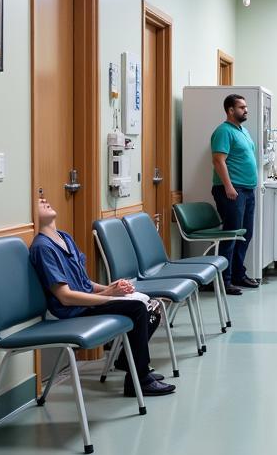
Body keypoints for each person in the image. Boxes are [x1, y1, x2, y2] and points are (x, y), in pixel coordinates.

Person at [29, 197, 175, 397]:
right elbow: (65, 297)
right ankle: (138, 380)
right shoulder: (42, 247)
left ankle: (128, 361)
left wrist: (111, 288)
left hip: (86, 302)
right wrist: (109, 297)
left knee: (152, 305)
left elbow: (85, 283)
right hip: (73, 311)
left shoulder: (64, 238)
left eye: (44, 197)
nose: (44, 199)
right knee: (138, 308)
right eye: (38, 201)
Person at [210, 93, 259, 295]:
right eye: (241, 107)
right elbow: (218, 161)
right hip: (232, 191)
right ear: (230, 110)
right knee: (231, 235)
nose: (245, 110)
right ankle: (225, 279)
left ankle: (239, 273)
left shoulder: (243, 131)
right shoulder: (223, 131)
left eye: (245, 107)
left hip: (247, 190)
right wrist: (229, 186)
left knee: (244, 235)